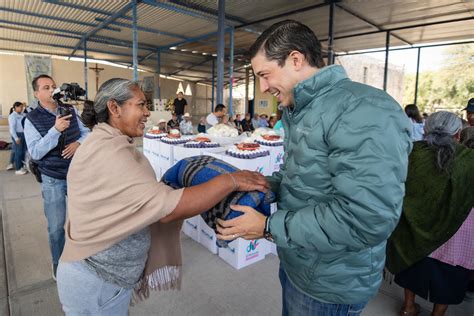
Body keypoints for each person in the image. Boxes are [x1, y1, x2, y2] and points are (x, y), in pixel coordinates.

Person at [216, 20, 412, 315]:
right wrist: (268, 185)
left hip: (330, 282)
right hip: (301, 262)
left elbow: (365, 218)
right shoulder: (304, 108)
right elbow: (307, 177)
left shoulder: (363, 109)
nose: (263, 88)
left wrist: (268, 227)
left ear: (295, 59)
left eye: (265, 75)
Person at [56, 78, 268, 315]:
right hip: (97, 285)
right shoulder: (109, 152)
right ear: (114, 108)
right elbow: (169, 209)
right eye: (141, 105)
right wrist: (231, 180)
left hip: (101, 280)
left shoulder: (104, 142)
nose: (148, 113)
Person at [386, 111, 474, 316]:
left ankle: (408, 307)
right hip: (451, 233)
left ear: (425, 130)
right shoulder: (469, 161)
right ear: (458, 134)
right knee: (449, 275)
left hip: (412, 229)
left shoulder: (411, 152)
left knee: (412, 265)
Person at [23, 74, 90, 280]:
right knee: (56, 227)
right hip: (53, 179)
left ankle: (82, 256)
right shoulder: (31, 119)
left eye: (53, 86)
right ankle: (58, 262)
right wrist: (55, 130)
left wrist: (78, 143)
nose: (51, 90)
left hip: (76, 175)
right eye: (45, 87)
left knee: (83, 220)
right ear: (36, 93)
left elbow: (86, 132)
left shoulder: (70, 110)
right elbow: (35, 152)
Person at [8, 101, 27, 175]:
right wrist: (16, 138)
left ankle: (22, 166)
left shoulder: (22, 114)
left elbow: (29, 113)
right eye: (20, 107)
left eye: (22, 107)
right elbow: (12, 129)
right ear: (16, 107)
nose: (22, 109)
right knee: (18, 152)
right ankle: (18, 168)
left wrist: (26, 107)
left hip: (24, 134)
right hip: (17, 135)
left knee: (24, 151)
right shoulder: (12, 116)